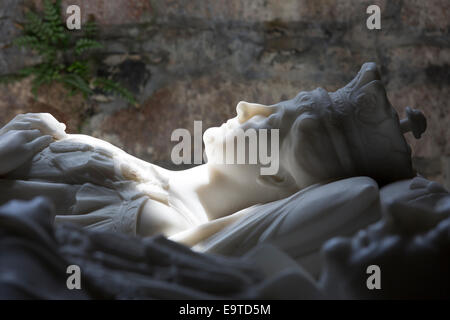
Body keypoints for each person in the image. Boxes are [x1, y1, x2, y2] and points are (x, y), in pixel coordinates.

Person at [0, 63, 425, 275]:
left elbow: (359, 195)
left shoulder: (159, 232)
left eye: (269, 119)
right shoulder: (109, 163)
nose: (245, 107)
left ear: (276, 174)